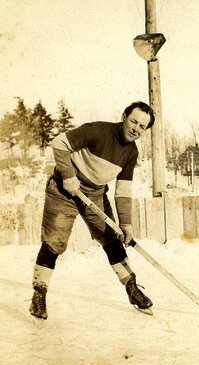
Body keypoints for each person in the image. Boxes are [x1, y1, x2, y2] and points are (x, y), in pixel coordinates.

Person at [29, 101, 155, 320]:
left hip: (94, 195)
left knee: (112, 237)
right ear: (124, 116)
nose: (136, 128)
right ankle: (39, 295)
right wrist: (68, 176)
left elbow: (123, 189)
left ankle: (131, 287)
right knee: (54, 243)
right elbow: (59, 142)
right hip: (63, 190)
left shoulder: (131, 152)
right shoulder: (98, 130)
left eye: (142, 126)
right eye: (134, 121)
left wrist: (125, 224)